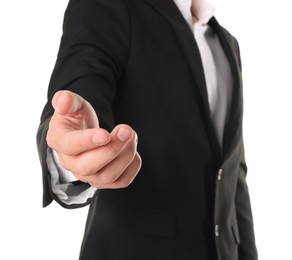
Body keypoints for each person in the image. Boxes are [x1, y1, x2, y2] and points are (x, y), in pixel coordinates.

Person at [36, 0, 258, 259]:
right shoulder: (109, 6)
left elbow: (233, 172)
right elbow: (81, 88)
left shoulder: (228, 45)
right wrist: (71, 151)